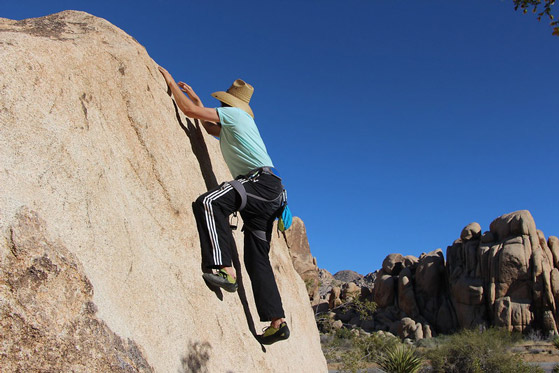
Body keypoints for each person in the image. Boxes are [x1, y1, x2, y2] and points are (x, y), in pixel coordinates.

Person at [158, 66, 289, 345]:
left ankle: (223, 269)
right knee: (257, 260)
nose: (219, 107)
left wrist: (170, 82)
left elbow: (192, 115)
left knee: (208, 202)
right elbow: (208, 126)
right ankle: (277, 322)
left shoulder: (234, 114)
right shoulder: (239, 121)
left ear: (228, 103)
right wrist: (195, 99)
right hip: (272, 195)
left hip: (258, 184)